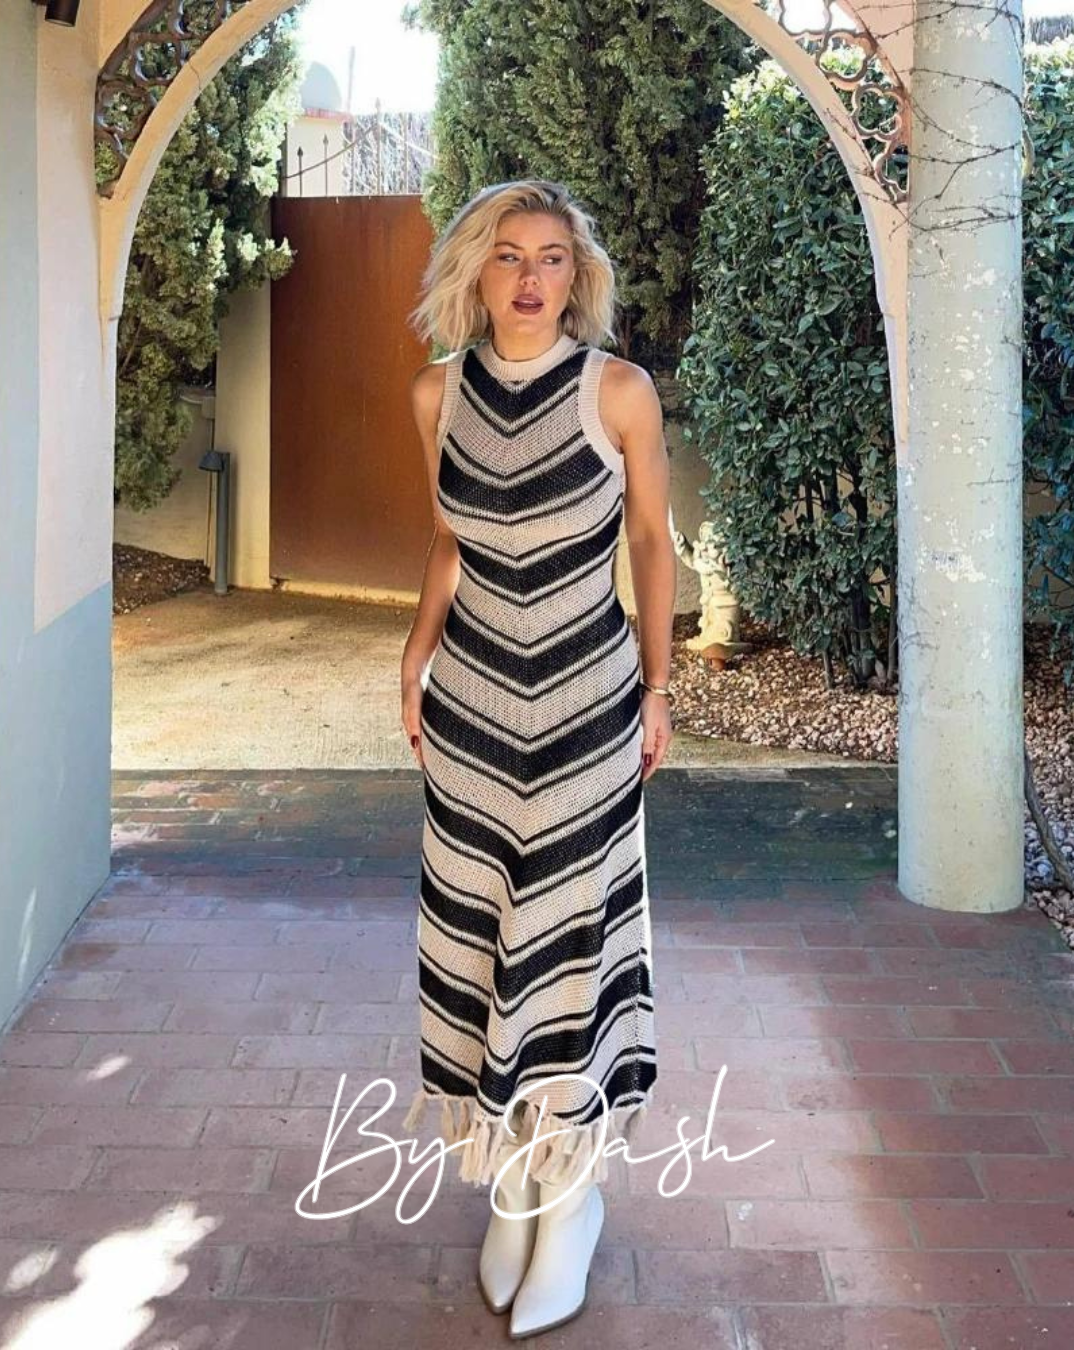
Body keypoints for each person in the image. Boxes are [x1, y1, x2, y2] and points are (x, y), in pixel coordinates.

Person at [400, 179, 675, 1338]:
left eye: (552, 257)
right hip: (467, 716)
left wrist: (658, 687)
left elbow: (650, 541)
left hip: (588, 712)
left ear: (577, 274)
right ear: (476, 269)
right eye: (508, 255)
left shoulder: (619, 392)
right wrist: (413, 655)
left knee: (569, 948)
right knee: (477, 942)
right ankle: (511, 1178)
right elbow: (448, 543)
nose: (529, 277)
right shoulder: (436, 394)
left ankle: (573, 1195)